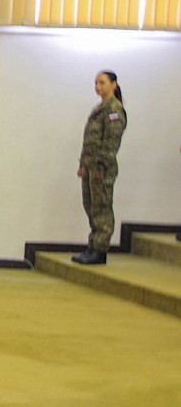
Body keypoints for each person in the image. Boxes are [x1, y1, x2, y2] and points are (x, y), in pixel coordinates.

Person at [73, 71, 127, 265]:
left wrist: (99, 166)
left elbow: (111, 143)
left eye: (102, 82)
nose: (98, 86)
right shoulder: (99, 108)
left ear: (114, 84)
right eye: (96, 83)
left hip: (101, 168)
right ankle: (93, 246)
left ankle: (100, 250)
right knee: (91, 206)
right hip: (90, 166)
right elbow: (90, 140)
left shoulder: (114, 110)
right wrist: (83, 164)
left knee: (102, 208)